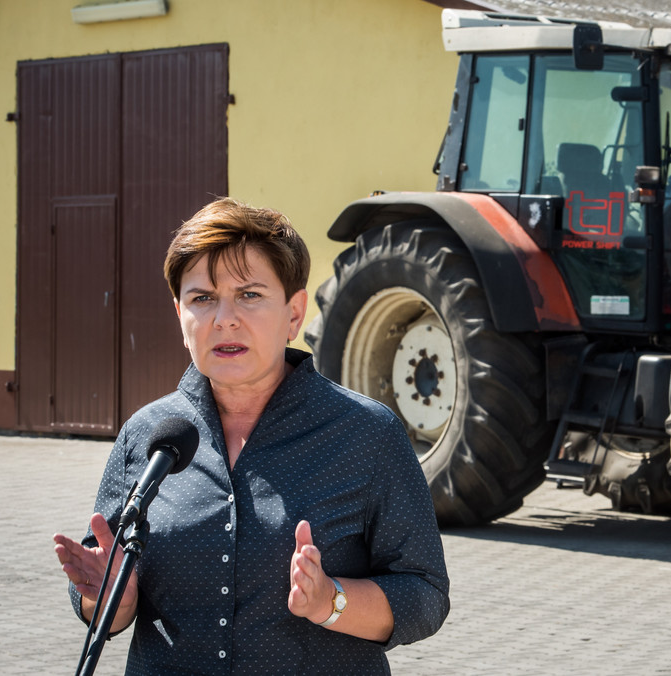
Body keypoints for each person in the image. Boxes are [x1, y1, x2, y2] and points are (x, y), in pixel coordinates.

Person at [52, 197, 449, 674]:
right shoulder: (148, 435)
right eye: (202, 298)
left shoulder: (367, 435)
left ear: (295, 313)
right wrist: (112, 599)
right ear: (180, 314)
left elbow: (424, 595)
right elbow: (100, 602)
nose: (224, 318)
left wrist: (332, 601)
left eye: (249, 294)